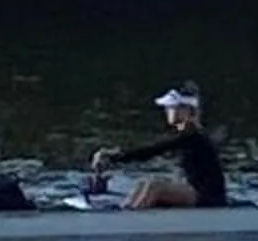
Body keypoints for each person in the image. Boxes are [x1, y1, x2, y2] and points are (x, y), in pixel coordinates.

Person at [94, 86, 230, 209]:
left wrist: (114, 157)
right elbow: (153, 148)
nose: (167, 111)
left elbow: (151, 151)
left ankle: (132, 216)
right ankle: (125, 211)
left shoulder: (190, 135)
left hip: (209, 198)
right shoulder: (183, 134)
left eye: (171, 107)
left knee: (155, 186)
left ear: (185, 111)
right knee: (142, 184)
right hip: (196, 191)